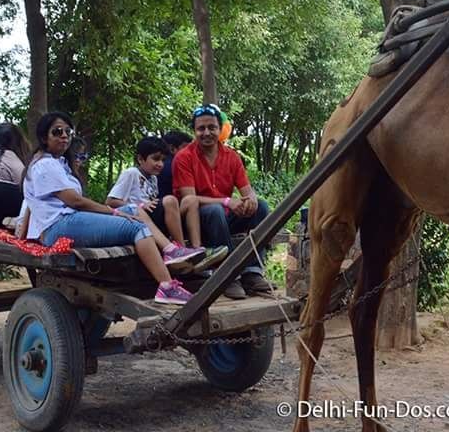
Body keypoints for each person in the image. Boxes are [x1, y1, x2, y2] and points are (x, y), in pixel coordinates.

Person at [22, 111, 193, 305]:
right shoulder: (45, 164)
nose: (64, 136)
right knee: (136, 228)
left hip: (69, 220)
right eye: (57, 132)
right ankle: (167, 287)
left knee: (134, 211)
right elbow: (75, 201)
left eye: (68, 132)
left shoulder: (57, 163)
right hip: (59, 226)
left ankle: (171, 250)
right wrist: (113, 212)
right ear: (44, 137)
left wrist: (120, 211)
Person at [173, 103, 272, 300]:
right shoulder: (184, 157)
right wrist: (227, 201)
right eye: (201, 128)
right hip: (196, 221)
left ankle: (252, 273)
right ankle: (227, 277)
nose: (207, 132)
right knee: (215, 210)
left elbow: (247, 191)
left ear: (220, 129)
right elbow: (189, 198)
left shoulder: (232, 157)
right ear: (194, 131)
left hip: (223, 218)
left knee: (261, 207)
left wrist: (249, 200)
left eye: (212, 127)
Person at [106, 136, 205, 266]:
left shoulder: (153, 178)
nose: (160, 164)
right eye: (156, 159)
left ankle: (194, 246)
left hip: (153, 220)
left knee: (190, 201)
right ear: (140, 159)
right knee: (170, 200)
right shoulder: (131, 173)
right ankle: (178, 250)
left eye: (163, 160)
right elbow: (110, 201)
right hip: (137, 219)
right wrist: (140, 205)